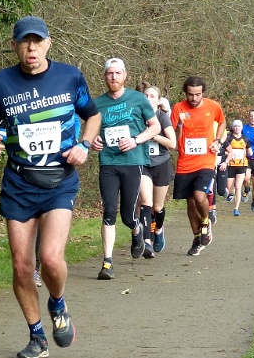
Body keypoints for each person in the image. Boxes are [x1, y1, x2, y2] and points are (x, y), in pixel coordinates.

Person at [0, 16, 101, 358]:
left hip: (59, 180)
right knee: (21, 266)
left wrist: (84, 145)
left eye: (37, 41)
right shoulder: (1, 82)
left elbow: (92, 115)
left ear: (48, 44)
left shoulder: (70, 76)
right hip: (19, 182)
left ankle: (57, 303)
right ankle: (37, 336)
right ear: (14, 46)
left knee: (51, 259)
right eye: (24, 42)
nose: (31, 48)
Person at [92, 59, 161, 279]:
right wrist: (93, 140)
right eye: (109, 73)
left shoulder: (138, 99)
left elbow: (155, 127)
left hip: (132, 161)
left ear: (125, 76)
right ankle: (107, 263)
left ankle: (136, 229)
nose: (113, 77)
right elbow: (90, 132)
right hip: (108, 162)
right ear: (105, 76)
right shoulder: (97, 104)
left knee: (128, 215)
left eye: (117, 73)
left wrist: (136, 140)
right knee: (109, 210)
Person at [170, 76, 226, 256]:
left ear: (203, 93)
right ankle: (196, 238)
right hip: (185, 162)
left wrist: (217, 141)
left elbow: (222, 122)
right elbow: (174, 140)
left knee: (199, 196)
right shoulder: (178, 108)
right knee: (190, 202)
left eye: (198, 94)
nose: (194, 98)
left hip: (206, 160)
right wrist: (180, 124)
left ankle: (205, 222)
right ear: (185, 93)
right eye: (190, 94)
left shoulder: (213, 106)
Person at [137, 84, 176, 256]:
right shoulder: (137, 116)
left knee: (158, 207)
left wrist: (153, 134)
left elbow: (172, 144)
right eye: (145, 95)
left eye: (152, 96)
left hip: (161, 163)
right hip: (143, 163)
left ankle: (158, 230)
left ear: (159, 100)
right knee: (146, 202)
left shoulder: (162, 117)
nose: (148, 99)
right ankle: (146, 242)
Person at [220, 120, 250, 216]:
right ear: (233, 127)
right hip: (230, 165)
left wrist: (250, 153)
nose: (237, 128)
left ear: (242, 128)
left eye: (239, 126)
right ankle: (230, 194)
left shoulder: (245, 138)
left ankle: (236, 208)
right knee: (230, 188)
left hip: (242, 165)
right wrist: (230, 154)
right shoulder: (229, 138)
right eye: (235, 126)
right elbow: (223, 151)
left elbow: (248, 150)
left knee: (238, 187)